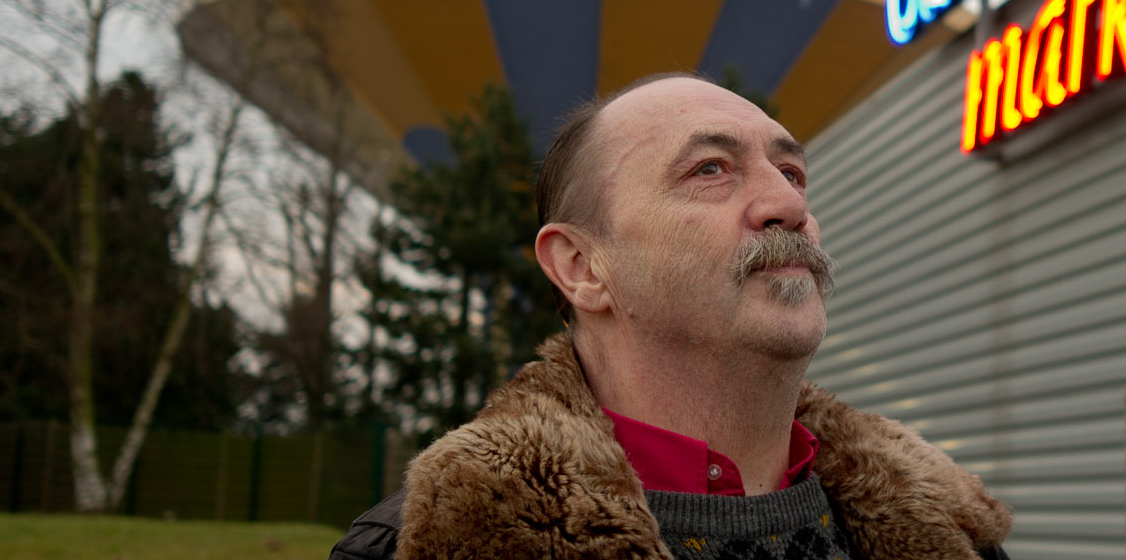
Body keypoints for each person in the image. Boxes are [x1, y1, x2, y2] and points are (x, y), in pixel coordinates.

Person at [330, 73, 1012, 560]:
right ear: (581, 266)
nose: (788, 204)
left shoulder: (953, 534)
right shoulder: (426, 543)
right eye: (711, 169)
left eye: (794, 173)